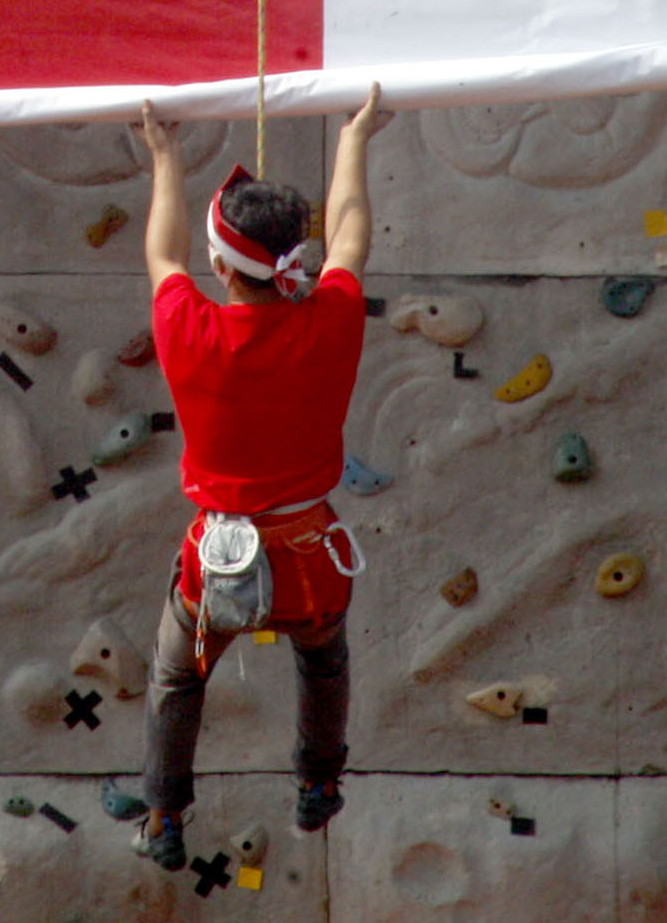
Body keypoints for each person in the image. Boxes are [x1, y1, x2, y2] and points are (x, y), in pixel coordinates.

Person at [124, 88, 391, 870]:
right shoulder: (329, 319)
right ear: (291, 261)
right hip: (308, 553)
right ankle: (319, 783)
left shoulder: (187, 325)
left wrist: (165, 156)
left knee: (177, 677)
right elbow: (351, 237)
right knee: (323, 659)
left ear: (221, 265)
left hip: (217, 559)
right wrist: (354, 137)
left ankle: (163, 817)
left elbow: (162, 254)